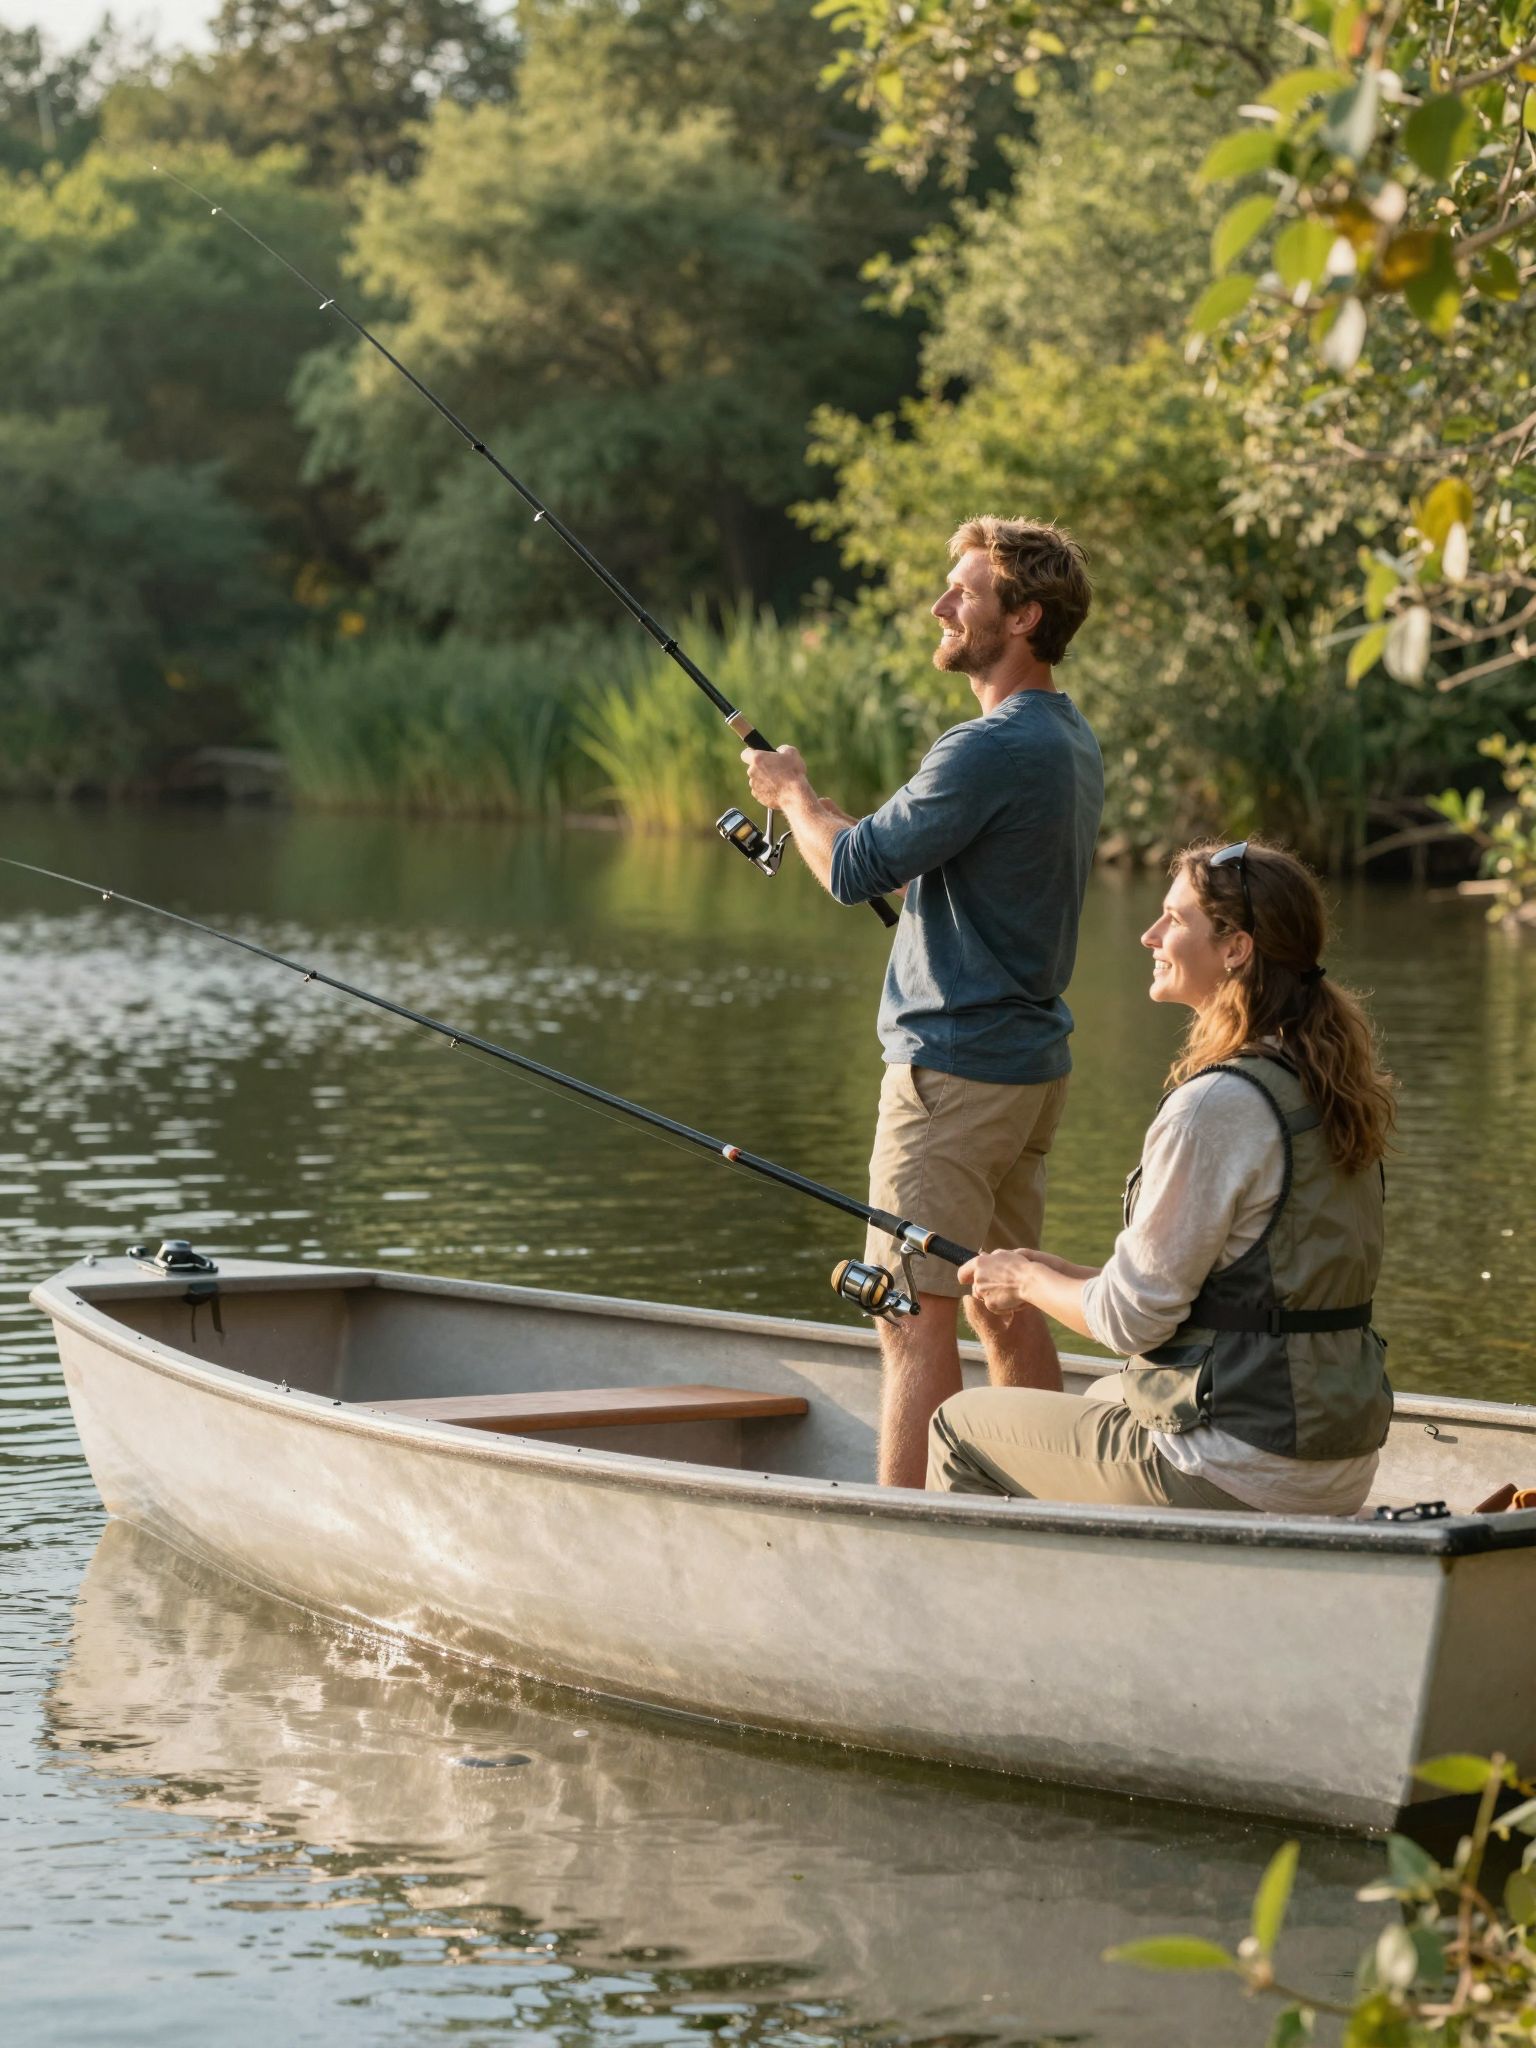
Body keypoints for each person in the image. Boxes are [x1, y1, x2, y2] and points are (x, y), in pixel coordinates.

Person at [740, 516, 1103, 1487]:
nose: (941, 607)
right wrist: (828, 821)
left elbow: (853, 869)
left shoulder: (984, 745)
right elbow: (911, 857)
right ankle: (1048, 1506)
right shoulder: (1066, 738)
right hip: (1027, 1071)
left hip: (951, 1077)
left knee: (910, 1313)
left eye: (965, 593)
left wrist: (790, 793)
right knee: (1004, 1302)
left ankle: (906, 1547)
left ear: (1023, 616)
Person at [929, 839, 1396, 1515]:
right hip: (1335, 1456)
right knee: (1105, 1398)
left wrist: (1026, 1282)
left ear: (1236, 948)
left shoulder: (1214, 1107)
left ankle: (1003, 1618)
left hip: (1243, 1463)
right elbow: (1240, 1289)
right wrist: (1054, 1271)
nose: (1149, 935)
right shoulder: (1327, 1085)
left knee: (961, 1426)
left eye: (1173, 919)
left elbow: (1129, 1321)